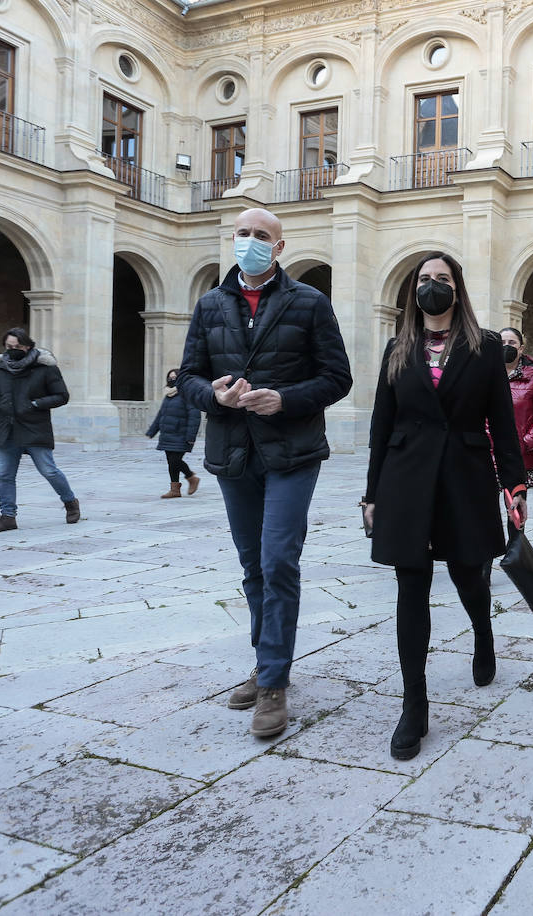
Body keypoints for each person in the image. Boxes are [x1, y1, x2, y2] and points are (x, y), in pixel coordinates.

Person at [177, 207, 352, 739]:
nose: (250, 242)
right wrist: (214, 394)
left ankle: (273, 683)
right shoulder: (210, 305)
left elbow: (337, 377)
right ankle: (266, 662)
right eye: (243, 234)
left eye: (261, 236)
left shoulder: (309, 302)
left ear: (279, 247)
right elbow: (186, 376)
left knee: (279, 560)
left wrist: (286, 399)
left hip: (291, 454)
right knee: (252, 565)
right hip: (234, 454)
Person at [364, 252, 528, 760]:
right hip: (406, 481)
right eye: (424, 279)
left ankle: (483, 632)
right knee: (410, 587)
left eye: (442, 279)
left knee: (466, 577)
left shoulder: (484, 349)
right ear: (413, 290)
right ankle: (415, 706)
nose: (432, 286)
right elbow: (380, 427)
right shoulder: (398, 347)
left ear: (458, 288)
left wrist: (515, 488)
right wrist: (371, 495)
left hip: (464, 476)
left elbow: (503, 423)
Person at [0, 328, 81, 533]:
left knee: (49, 470)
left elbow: (62, 396)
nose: (12, 350)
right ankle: (7, 517)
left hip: (34, 427)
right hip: (6, 428)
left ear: (28, 346)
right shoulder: (0, 367)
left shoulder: (45, 368)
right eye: (8, 347)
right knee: (5, 475)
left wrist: (35, 404)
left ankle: (70, 502)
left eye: (17, 347)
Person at [500, 327, 533, 494]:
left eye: (512, 342)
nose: (507, 346)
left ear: (521, 348)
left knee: (515, 511)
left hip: (522, 454)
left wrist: (526, 442)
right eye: (502, 343)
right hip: (490, 453)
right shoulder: (485, 375)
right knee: (485, 512)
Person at [145, 368, 202, 498]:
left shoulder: (187, 395)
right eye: (169, 377)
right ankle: (175, 489)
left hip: (181, 435)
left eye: (174, 377)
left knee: (175, 460)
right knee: (171, 462)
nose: (172, 380)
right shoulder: (168, 396)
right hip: (167, 434)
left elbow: (194, 416)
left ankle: (191, 477)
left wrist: (191, 436)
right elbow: (161, 415)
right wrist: (152, 431)